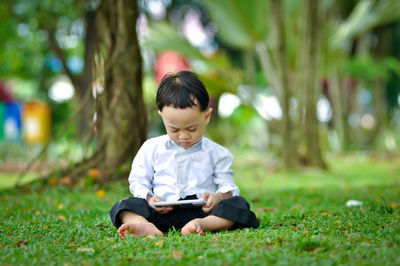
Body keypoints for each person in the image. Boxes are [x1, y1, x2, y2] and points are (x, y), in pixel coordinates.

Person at [110, 71, 259, 238]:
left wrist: (217, 197)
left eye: (191, 129)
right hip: (160, 213)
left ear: (207, 116)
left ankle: (200, 225)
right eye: (174, 129)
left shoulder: (217, 153)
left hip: (202, 212)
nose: (183, 136)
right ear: (162, 117)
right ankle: (146, 226)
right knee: (124, 205)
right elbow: (138, 181)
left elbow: (229, 187)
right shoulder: (151, 148)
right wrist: (150, 199)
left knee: (239, 204)